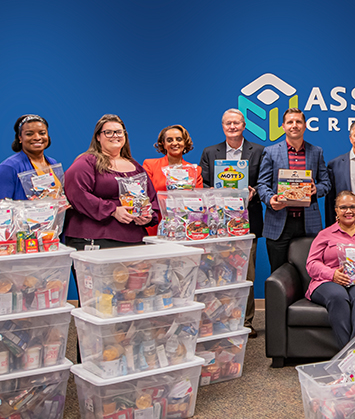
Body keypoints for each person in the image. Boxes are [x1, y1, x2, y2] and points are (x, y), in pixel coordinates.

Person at [199, 109, 266, 337]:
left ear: (244, 125)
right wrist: (211, 191)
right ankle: (218, 320)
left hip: (247, 221)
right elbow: (202, 183)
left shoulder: (259, 151)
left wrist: (254, 191)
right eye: (228, 123)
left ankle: (245, 322)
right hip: (217, 224)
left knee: (247, 274)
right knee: (217, 272)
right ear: (222, 125)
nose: (232, 127)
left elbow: (265, 182)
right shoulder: (210, 152)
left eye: (236, 123)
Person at [64, 114, 157, 250]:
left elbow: (151, 198)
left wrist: (148, 216)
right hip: (95, 238)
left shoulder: (136, 167)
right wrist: (113, 211)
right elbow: (76, 193)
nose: (115, 136)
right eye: (108, 132)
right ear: (98, 137)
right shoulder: (86, 162)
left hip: (134, 239)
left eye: (119, 132)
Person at [258, 108, 331, 272]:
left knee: (308, 272)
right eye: (290, 122)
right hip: (279, 222)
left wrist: (316, 189)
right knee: (278, 273)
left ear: (305, 126)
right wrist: (270, 200)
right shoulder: (270, 151)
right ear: (283, 126)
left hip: (308, 223)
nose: (294, 125)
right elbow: (262, 184)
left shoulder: (316, 152)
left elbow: (326, 183)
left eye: (298, 122)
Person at [305, 191, 355, 348]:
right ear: (336, 211)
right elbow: (312, 263)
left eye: (353, 207)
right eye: (343, 207)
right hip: (327, 282)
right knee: (338, 296)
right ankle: (350, 353)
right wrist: (332, 274)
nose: (348, 211)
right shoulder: (325, 234)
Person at [142, 124, 202, 236]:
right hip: (157, 225)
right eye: (169, 140)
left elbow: (198, 200)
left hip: (185, 227)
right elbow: (145, 195)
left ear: (185, 143)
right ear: (163, 144)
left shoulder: (195, 170)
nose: (174, 143)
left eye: (179, 139)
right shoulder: (150, 165)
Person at [0, 114, 59, 201]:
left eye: (42, 133)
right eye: (29, 134)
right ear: (20, 138)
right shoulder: (8, 168)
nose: (37, 137)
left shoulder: (53, 163)